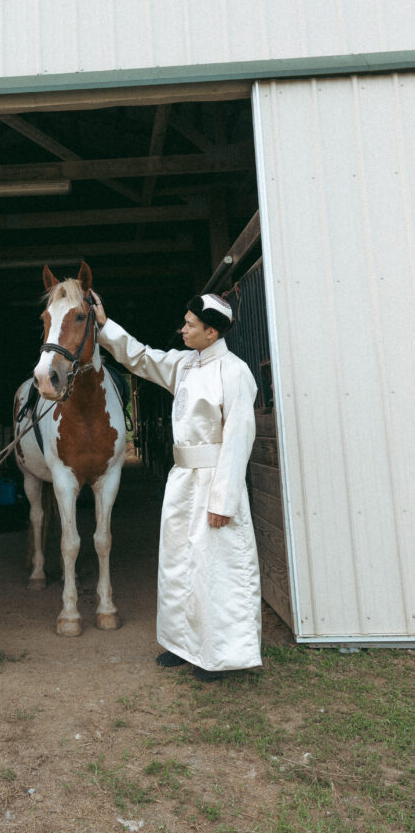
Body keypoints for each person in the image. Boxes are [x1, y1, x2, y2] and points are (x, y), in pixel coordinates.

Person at [91, 291, 262, 681]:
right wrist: (103, 325)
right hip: (182, 480)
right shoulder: (185, 364)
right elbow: (140, 357)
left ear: (211, 332)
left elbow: (238, 441)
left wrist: (223, 501)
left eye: (189, 324)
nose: (181, 329)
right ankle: (182, 645)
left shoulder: (235, 373)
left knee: (213, 569)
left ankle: (217, 656)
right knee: (178, 565)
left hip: (214, 483)